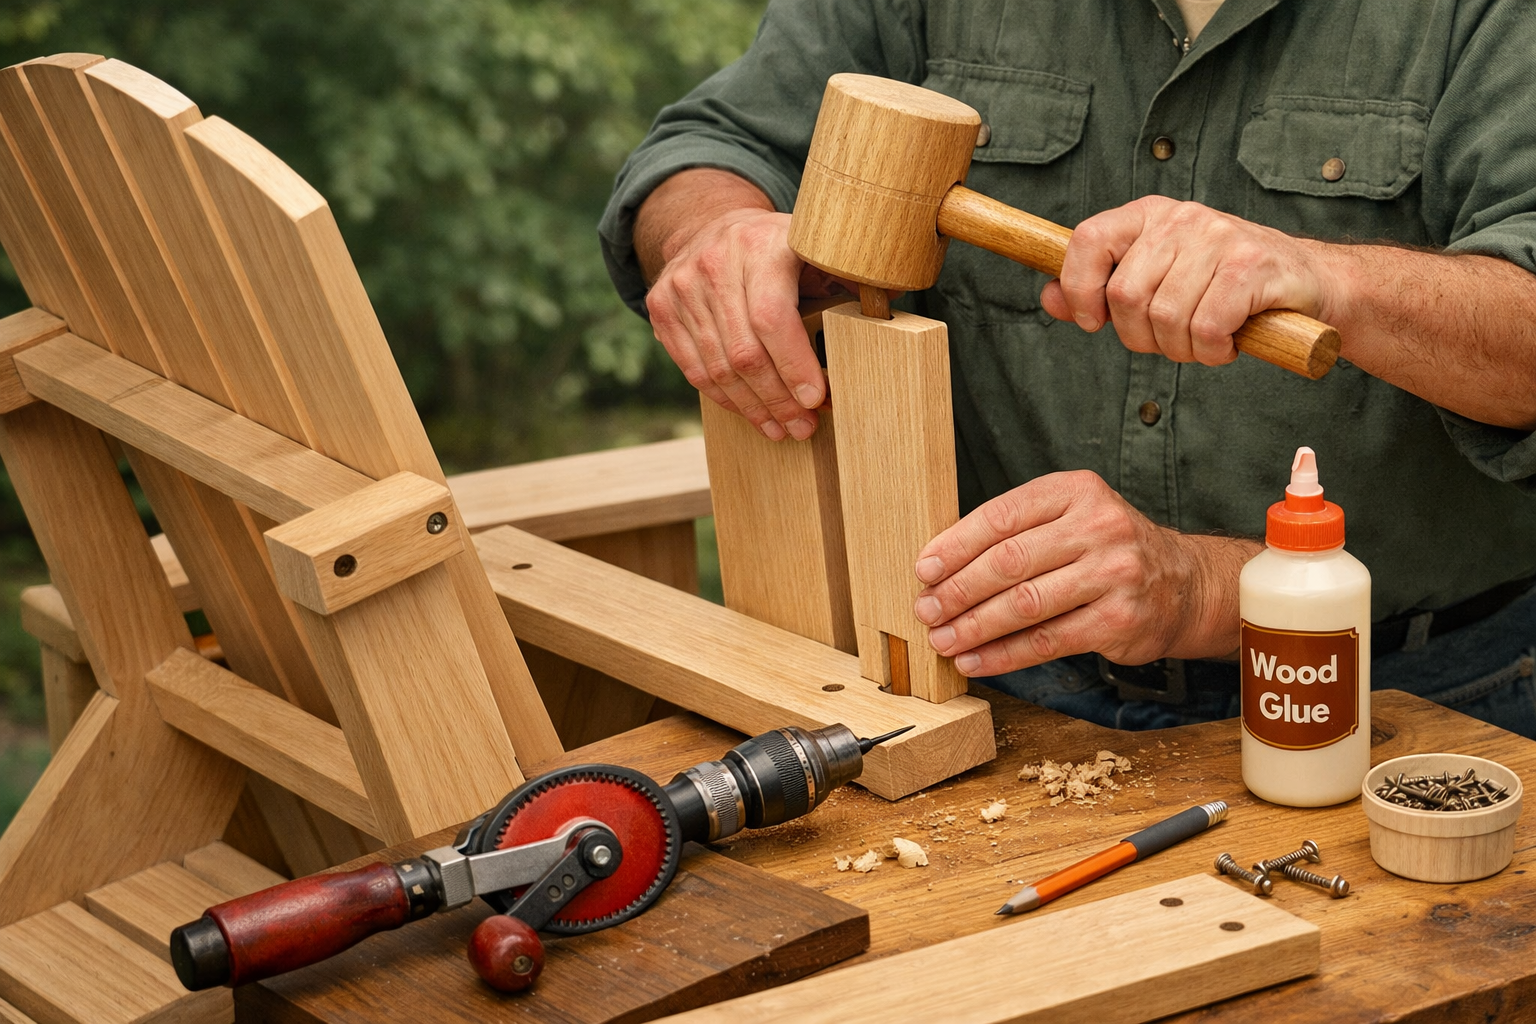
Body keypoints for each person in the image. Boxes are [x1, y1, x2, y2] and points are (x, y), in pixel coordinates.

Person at [598, 0, 1536, 736]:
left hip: (1419, 697)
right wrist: (710, 230)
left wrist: (1334, 279)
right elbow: (710, 146)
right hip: (994, 689)